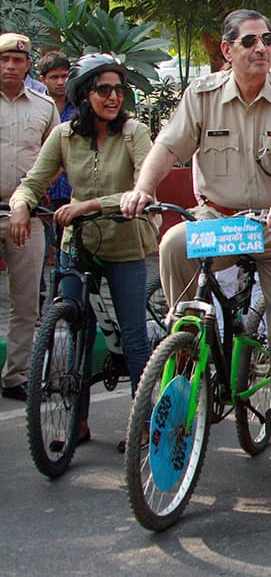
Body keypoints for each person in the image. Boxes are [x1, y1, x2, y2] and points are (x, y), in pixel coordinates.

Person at [119, 9, 271, 479]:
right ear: (227, 50)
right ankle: (187, 341)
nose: (261, 49)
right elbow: (168, 147)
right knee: (174, 243)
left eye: (267, 40)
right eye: (250, 41)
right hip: (219, 218)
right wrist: (144, 190)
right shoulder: (202, 94)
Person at [10, 53, 158, 449]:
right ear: (83, 94)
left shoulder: (134, 132)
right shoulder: (63, 136)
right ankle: (77, 420)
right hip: (78, 245)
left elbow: (144, 188)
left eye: (118, 89)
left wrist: (89, 206)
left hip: (125, 242)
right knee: (74, 328)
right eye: (103, 89)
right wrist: (22, 204)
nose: (113, 97)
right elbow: (33, 180)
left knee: (133, 335)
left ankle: (143, 423)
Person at [0, 32, 60, 401]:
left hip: (27, 214)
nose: (10, 66)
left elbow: (56, 158)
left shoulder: (43, 106)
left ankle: (15, 375)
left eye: (17, 60)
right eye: (4, 59)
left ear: (27, 65)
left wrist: (33, 192)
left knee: (26, 303)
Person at [37, 52, 75, 299]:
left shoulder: (80, 108)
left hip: (71, 190)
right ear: (43, 79)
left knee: (68, 247)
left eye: (64, 76)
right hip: (43, 191)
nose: (60, 82)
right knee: (38, 248)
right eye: (54, 77)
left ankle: (66, 299)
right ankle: (39, 299)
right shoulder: (38, 106)